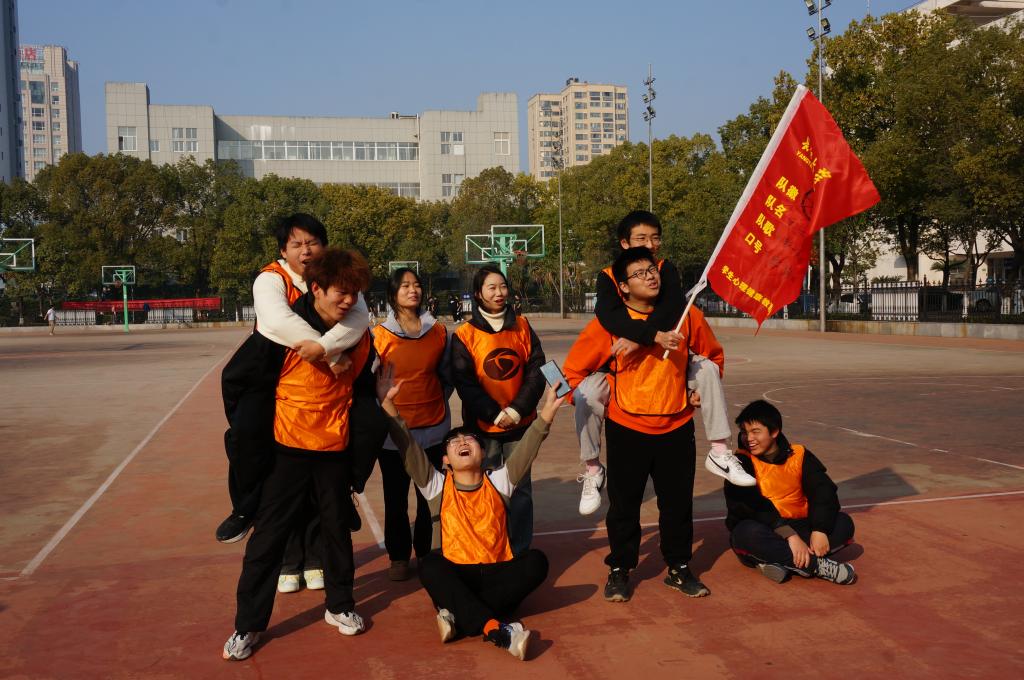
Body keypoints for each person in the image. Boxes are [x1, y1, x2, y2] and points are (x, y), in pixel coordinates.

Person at [223, 248, 376, 661]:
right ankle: (248, 625)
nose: (349, 301)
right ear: (317, 288)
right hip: (286, 449)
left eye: (355, 293)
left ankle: (340, 605)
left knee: (336, 531)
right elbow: (237, 380)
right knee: (268, 538)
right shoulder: (280, 334)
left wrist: (361, 453)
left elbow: (364, 388)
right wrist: (248, 437)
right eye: (341, 292)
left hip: (334, 448)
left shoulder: (359, 335)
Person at [563, 247, 724, 602]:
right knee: (624, 506)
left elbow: (712, 357)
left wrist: (699, 391)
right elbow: (572, 373)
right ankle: (620, 569)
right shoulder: (608, 325)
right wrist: (593, 399)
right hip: (627, 426)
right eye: (639, 273)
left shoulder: (686, 316)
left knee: (677, 505)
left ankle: (678, 567)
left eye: (652, 269)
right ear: (622, 286)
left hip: (676, 424)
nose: (650, 276)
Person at [574, 210, 754, 517]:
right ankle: (592, 468)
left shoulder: (664, 271)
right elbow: (609, 316)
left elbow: (673, 306)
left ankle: (719, 451)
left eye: (655, 238)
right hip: (625, 396)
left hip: (671, 396)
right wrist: (649, 336)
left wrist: (645, 338)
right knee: (585, 395)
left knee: (707, 369)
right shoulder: (609, 277)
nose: (650, 244)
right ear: (624, 243)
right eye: (642, 238)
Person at [377, 365, 563, 661]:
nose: (463, 442)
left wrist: (548, 411)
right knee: (430, 565)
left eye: (470, 439)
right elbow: (408, 447)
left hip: (497, 574)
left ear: (483, 451)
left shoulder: (500, 481)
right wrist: (387, 403)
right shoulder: (436, 486)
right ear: (445, 460)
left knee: (536, 561)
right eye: (454, 442)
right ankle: (495, 629)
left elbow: (529, 447)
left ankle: (458, 616)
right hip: (457, 574)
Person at [217, 213, 373, 545]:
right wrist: (330, 354)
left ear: (324, 246)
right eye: (296, 244)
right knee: (247, 430)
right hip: (269, 367)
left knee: (368, 423)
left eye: (312, 243)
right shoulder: (270, 279)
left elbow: (360, 319)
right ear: (283, 251)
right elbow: (277, 322)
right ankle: (245, 507)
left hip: (324, 373)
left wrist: (325, 349)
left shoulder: (340, 276)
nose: (305, 251)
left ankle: (346, 491)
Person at [450, 265, 546, 556]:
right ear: (478, 294)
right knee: (486, 489)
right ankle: (490, 545)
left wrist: (516, 410)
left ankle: (519, 549)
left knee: (520, 489)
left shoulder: (523, 326)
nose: (499, 293)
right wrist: (493, 413)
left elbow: (536, 371)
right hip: (483, 428)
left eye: (502, 286)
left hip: (519, 425)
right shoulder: (464, 334)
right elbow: (465, 383)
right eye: (491, 287)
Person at [372, 267, 452, 581]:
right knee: (395, 498)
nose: (412, 290)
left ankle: (426, 553)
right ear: (393, 294)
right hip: (394, 433)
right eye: (405, 286)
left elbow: (447, 376)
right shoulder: (378, 336)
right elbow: (372, 383)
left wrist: (435, 399)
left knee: (428, 498)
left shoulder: (439, 332)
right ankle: (398, 557)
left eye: (416, 285)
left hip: (434, 427)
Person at [725, 399, 857, 585]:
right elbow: (747, 505)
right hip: (767, 528)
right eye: (744, 432)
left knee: (844, 523)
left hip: (801, 525)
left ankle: (780, 561)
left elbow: (823, 491)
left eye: (755, 431)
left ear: (774, 431)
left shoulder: (799, 455)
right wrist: (790, 536)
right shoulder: (739, 462)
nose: (749, 438)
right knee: (745, 533)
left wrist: (819, 530)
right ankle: (817, 565)